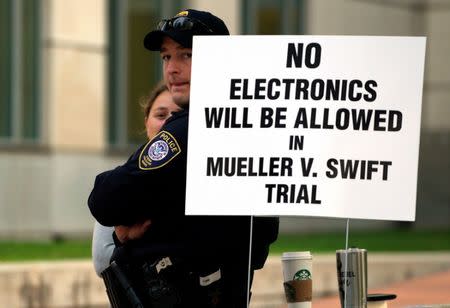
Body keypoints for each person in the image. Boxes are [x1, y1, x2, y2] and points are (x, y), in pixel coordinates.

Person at [88, 9, 279, 307]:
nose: (172, 69)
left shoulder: (190, 127)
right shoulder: (249, 124)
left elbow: (104, 199)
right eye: (166, 57)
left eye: (186, 55)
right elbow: (263, 238)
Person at [92, 82, 181, 276]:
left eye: (178, 116)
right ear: (146, 121)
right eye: (160, 115)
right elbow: (101, 262)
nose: (169, 123)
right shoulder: (124, 181)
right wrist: (122, 238)